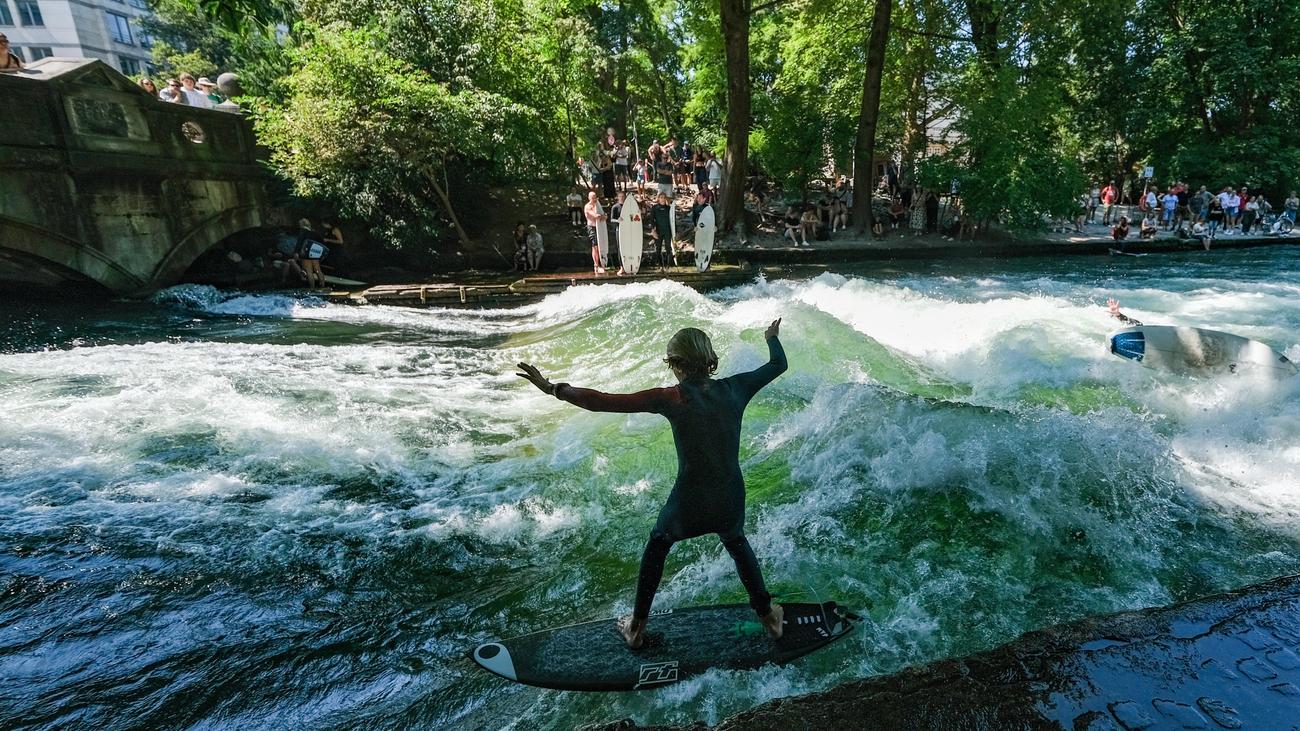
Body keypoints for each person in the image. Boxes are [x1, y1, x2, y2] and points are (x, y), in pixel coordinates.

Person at [514, 318, 790, 648]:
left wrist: (553, 388)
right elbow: (778, 364)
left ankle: (636, 628)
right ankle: (770, 618)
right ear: (710, 360)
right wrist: (771, 337)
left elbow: (602, 401)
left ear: (675, 364)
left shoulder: (671, 398)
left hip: (689, 500)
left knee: (659, 543)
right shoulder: (736, 388)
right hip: (730, 493)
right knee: (736, 542)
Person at [294, 218, 327, 288]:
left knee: (309, 271)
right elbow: (322, 243)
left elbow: (299, 243)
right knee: (318, 270)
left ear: (301, 225)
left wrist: (296, 252)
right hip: (315, 254)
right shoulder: (315, 233)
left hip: (306, 254)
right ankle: (323, 286)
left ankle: (312, 288)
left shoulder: (303, 232)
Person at [584, 191, 608, 275]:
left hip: (599, 228)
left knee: (601, 245)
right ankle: (596, 265)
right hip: (592, 228)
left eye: (595, 197)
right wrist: (601, 216)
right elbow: (595, 216)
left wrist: (604, 216)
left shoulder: (598, 205)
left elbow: (603, 215)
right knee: (595, 246)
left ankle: (602, 263)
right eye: (592, 198)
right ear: (589, 198)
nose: (594, 199)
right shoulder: (587, 206)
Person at [649, 193, 675, 269]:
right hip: (658, 230)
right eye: (661, 197)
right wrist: (653, 231)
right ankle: (660, 264)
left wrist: (673, 232)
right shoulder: (655, 208)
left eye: (664, 197)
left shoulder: (668, 208)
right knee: (658, 248)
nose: (663, 199)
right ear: (658, 199)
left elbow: (672, 221)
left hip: (667, 231)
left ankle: (668, 265)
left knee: (668, 247)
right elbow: (651, 220)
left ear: (666, 199)